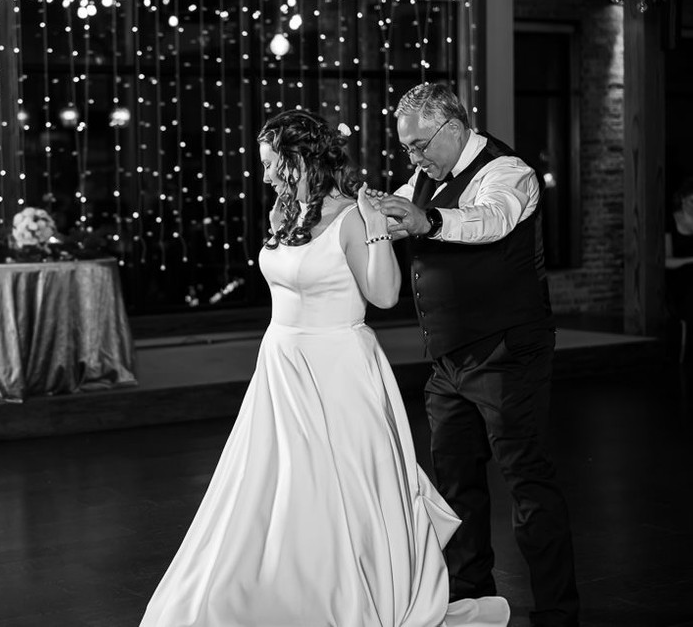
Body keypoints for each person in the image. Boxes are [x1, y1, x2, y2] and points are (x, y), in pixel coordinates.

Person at [140, 109, 509, 627]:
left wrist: (378, 227)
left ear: (299, 160)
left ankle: (357, 591)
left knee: (346, 489)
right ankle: (289, 590)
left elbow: (383, 296)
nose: (265, 176)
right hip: (282, 364)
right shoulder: (283, 212)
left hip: (338, 368)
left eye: (272, 164)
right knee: (281, 486)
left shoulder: (353, 217)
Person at [376, 82, 580, 627]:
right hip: (448, 361)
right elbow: (389, 216)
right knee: (457, 487)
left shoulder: (507, 171)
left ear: (454, 127)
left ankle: (559, 614)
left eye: (420, 145)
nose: (413, 158)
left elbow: (491, 220)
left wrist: (428, 221)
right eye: (407, 149)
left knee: (527, 483)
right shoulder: (424, 176)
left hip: (507, 350)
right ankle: (473, 602)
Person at [666, 176, 693, 361]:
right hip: (679, 274)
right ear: (683, 199)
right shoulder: (671, 222)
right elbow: (665, 261)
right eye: (692, 201)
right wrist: (690, 260)